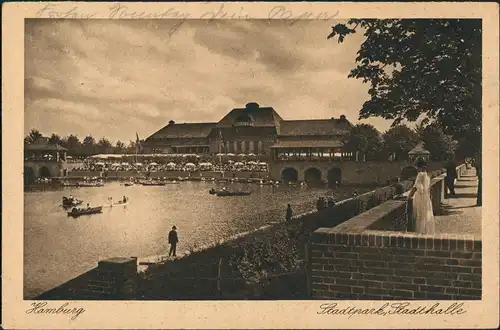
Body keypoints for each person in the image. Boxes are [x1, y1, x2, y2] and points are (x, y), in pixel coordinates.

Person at [407, 157, 435, 235]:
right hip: (426, 197)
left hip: (420, 197)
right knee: (425, 215)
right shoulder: (427, 174)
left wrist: (408, 197)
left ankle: (420, 232)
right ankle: (424, 231)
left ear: (417, 166)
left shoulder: (420, 174)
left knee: (419, 215)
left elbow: (415, 187)